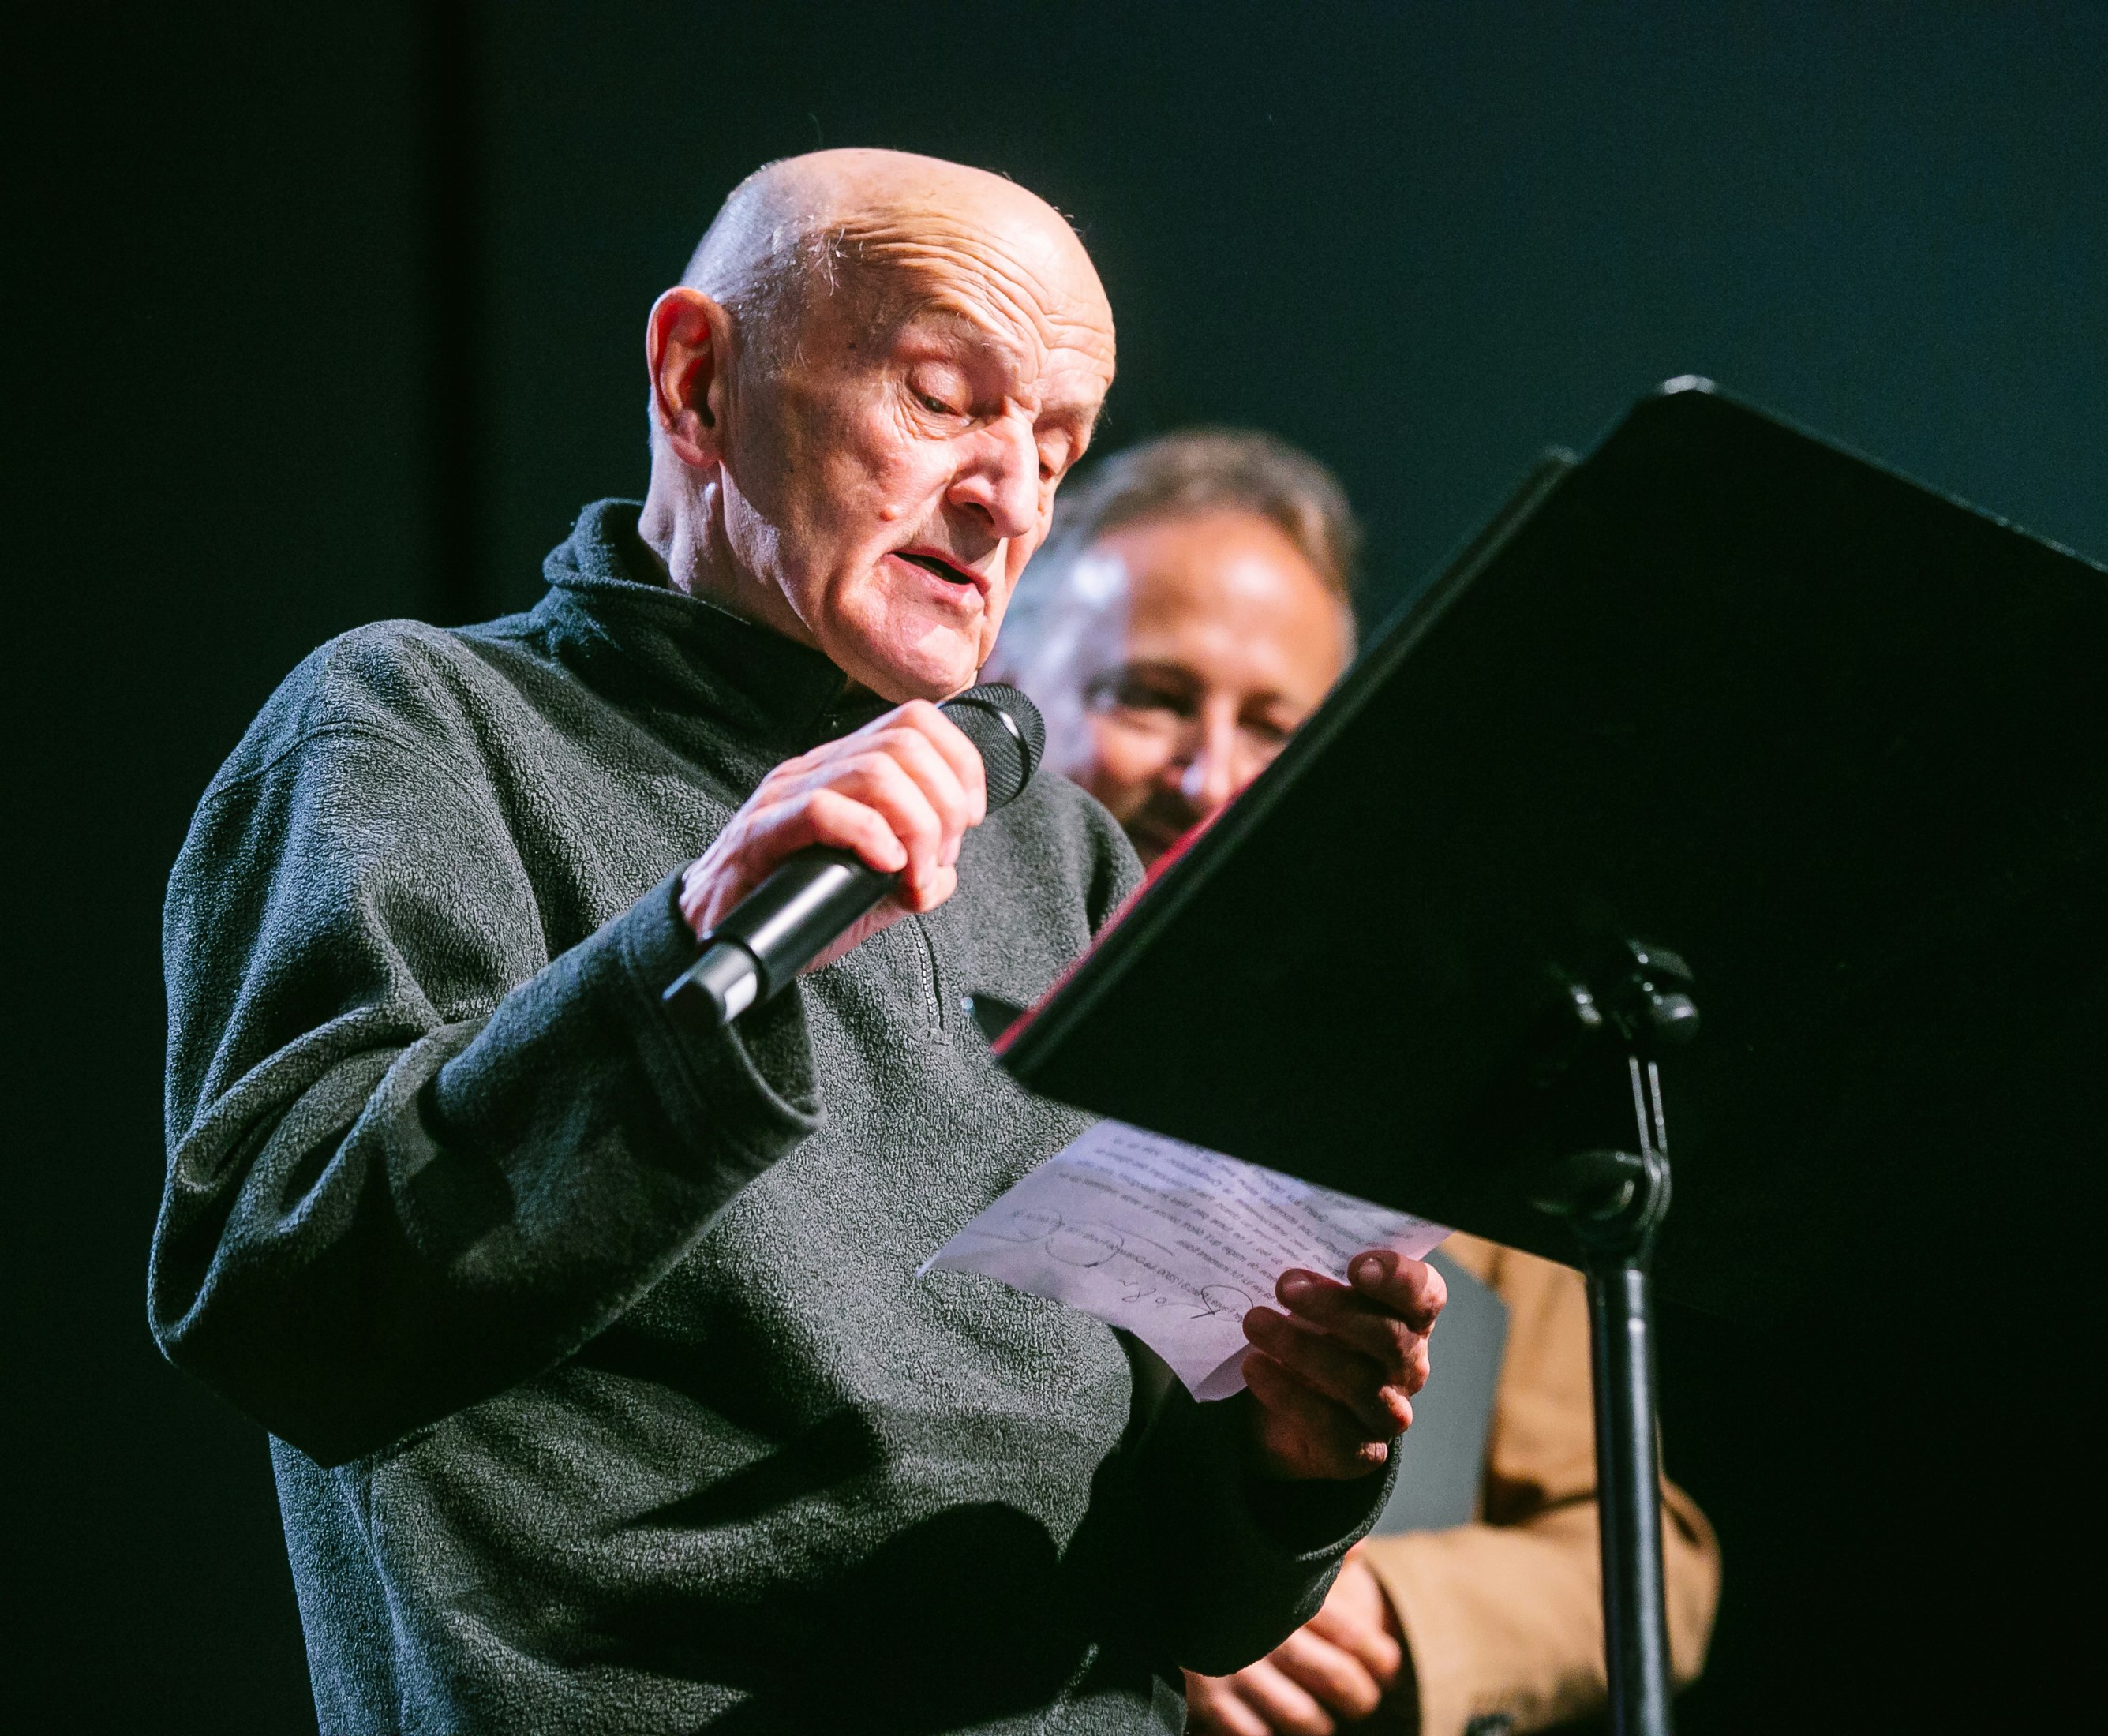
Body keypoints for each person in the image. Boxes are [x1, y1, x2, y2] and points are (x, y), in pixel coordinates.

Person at [150, 151, 1450, 1736]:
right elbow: (282, 1307)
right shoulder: (417, 727)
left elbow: (1190, 1591)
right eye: (941, 400)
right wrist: (696, 938)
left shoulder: (1066, 854)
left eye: (1054, 445)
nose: (1009, 497)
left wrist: (1284, 1461)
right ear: (697, 381)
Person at [983, 430, 1720, 1736]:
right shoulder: (896, 1011)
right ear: (1005, 689)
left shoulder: (1435, 1106)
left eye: (1276, 726)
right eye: (1149, 696)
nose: (1210, 776)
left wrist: (1366, 1602)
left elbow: (1650, 1561)